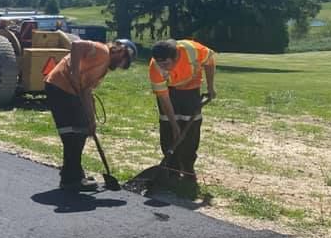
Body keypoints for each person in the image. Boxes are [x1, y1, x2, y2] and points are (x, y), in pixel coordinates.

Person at [44, 38, 138, 191]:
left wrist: (91, 120)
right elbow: (76, 45)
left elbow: (87, 91)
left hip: (69, 92)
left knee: (79, 132)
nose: (121, 66)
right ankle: (71, 179)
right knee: (72, 134)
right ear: (120, 51)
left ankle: (74, 173)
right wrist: (74, 71)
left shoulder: (102, 68)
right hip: (60, 88)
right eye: (123, 62)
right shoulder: (101, 50)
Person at [149, 39, 217, 183]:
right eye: (160, 64)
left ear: (176, 57)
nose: (163, 68)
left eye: (166, 64)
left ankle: (187, 168)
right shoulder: (155, 67)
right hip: (170, 91)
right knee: (167, 126)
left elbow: (209, 61)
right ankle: (171, 169)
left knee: (191, 128)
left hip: (191, 90)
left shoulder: (192, 51)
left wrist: (210, 87)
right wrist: (174, 125)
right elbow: (164, 98)